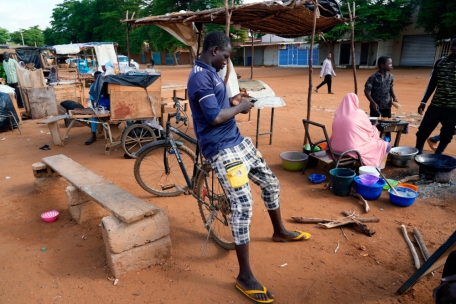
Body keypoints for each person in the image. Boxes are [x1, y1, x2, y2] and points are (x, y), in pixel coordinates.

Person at [187, 30, 310, 304]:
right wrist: (240, 106)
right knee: (243, 206)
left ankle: (279, 231)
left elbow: (219, 106)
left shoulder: (210, 70)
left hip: (237, 141)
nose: (227, 62)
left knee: (270, 182)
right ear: (215, 50)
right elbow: (215, 117)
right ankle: (244, 276)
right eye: (226, 57)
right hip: (221, 149)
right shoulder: (200, 76)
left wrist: (233, 101)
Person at [416, 35, 456, 155]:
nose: (455, 48)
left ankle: (437, 156)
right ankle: (418, 154)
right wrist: (424, 101)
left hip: (453, 108)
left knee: (447, 133)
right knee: (423, 130)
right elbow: (432, 83)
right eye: (453, 45)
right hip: (436, 105)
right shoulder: (440, 62)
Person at [330, 93, 391, 167]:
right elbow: (370, 131)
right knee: (386, 145)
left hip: (335, 148)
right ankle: (377, 167)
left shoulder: (337, 114)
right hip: (351, 150)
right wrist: (374, 125)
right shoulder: (359, 113)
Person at [364, 56, 398, 139]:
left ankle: (387, 142)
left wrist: (394, 96)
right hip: (376, 107)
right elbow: (366, 92)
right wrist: (373, 103)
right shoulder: (373, 77)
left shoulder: (391, 76)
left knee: (387, 126)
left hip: (387, 105)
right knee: (374, 126)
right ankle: (373, 141)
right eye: (389, 63)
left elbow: (391, 87)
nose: (391, 65)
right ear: (382, 65)